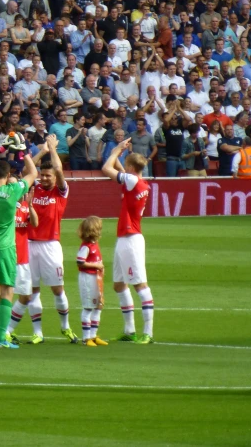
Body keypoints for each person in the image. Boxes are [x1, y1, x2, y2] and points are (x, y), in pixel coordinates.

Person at [0, 132, 38, 349]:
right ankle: (2, 337)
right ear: (9, 173)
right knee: (7, 291)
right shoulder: (13, 190)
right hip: (5, 247)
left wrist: (2, 149)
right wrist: (22, 150)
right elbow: (33, 172)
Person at [26, 135, 79, 344]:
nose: (45, 178)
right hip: (30, 244)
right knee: (33, 290)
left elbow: (58, 168)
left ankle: (65, 327)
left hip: (50, 245)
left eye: (48, 176)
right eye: (43, 175)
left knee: (57, 289)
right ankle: (37, 332)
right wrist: (43, 150)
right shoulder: (34, 188)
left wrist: (53, 149)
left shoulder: (61, 192)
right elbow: (27, 168)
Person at [101, 138, 155, 344]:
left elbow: (106, 167)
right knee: (118, 284)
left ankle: (148, 332)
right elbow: (122, 173)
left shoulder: (133, 181)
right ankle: (130, 329)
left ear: (131, 168)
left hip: (131, 238)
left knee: (140, 285)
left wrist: (115, 150)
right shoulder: (140, 183)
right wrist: (122, 156)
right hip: (125, 237)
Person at [5, 186, 38, 344]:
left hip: (23, 259)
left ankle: (8, 330)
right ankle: (1, 331)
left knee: (26, 296)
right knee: (5, 296)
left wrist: (30, 205)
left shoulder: (25, 207)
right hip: (8, 257)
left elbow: (35, 223)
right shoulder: (5, 206)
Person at [76, 216, 108, 347]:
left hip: (96, 278)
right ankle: (86, 338)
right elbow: (80, 262)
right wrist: (96, 266)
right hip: (87, 278)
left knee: (98, 306)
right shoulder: (86, 246)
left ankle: (94, 335)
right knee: (88, 307)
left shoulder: (95, 244)